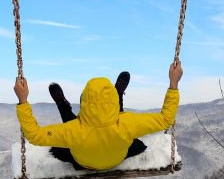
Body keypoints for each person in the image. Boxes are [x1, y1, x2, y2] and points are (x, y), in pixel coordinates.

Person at [14, 61, 182, 171]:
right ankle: (118, 94)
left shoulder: (73, 130)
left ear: (83, 101)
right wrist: (173, 84)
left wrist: (23, 100)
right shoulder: (128, 123)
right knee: (123, 124)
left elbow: (35, 135)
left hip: (83, 162)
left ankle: (62, 105)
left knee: (68, 132)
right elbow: (166, 119)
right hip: (116, 158)